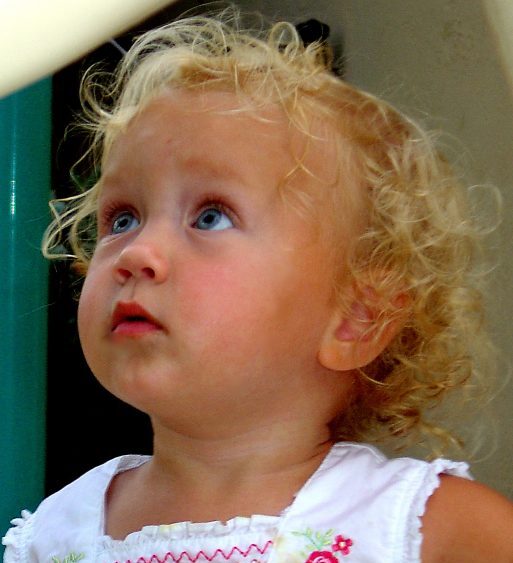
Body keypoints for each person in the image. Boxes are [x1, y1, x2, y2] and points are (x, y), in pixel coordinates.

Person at [4, 8, 513, 563]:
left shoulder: (427, 530)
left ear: (355, 317)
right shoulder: (53, 536)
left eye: (211, 216)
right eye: (122, 218)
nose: (137, 253)